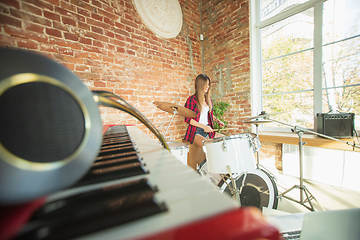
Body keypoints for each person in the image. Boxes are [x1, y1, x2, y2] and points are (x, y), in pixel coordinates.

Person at [183, 74, 225, 148]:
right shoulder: (192, 99)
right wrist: (203, 126)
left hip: (208, 130)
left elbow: (208, 115)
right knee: (208, 146)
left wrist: (217, 120)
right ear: (199, 85)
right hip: (196, 131)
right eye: (205, 84)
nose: (207, 87)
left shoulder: (208, 100)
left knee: (225, 140)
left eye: (208, 84)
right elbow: (187, 119)